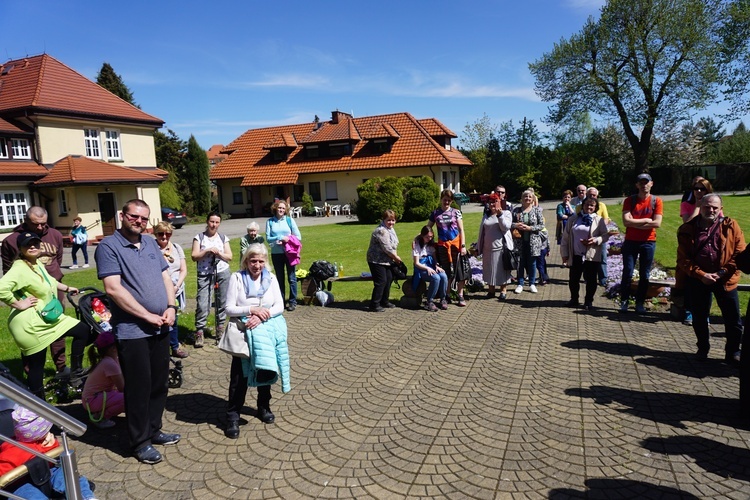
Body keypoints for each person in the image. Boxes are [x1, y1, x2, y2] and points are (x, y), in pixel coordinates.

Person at [95, 199, 181, 465]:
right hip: (133, 330)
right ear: (123, 216)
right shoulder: (109, 246)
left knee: (159, 383)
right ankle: (139, 442)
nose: (139, 222)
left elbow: (166, 277)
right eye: (135, 217)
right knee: (138, 388)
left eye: (144, 219)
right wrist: (146, 315)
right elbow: (113, 289)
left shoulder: (151, 243)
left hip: (161, 325)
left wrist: (170, 307)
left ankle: (154, 430)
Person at [0, 232, 91, 399]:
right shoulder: (19, 268)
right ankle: (39, 407)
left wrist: (67, 288)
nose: (33, 246)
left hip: (46, 317)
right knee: (37, 367)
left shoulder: (35, 263)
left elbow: (50, 280)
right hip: (30, 325)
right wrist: (19, 304)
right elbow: (1, 288)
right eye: (28, 244)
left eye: (35, 243)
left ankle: (76, 371)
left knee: (83, 330)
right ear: (20, 248)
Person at [224, 243, 290, 438]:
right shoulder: (236, 278)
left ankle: (264, 407)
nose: (257, 265)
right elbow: (228, 308)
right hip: (243, 334)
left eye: (261, 261)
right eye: (253, 261)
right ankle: (233, 416)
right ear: (246, 261)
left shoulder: (271, 278)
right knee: (239, 377)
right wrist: (250, 310)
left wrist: (263, 315)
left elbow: (280, 305)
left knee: (264, 369)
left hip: (265, 331)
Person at [1, 206, 69, 381]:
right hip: (28, 295)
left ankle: (62, 367)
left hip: (53, 290)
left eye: (43, 224)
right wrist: (17, 301)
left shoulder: (54, 235)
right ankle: (31, 372)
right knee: (32, 333)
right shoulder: (11, 240)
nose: (40, 228)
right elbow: (8, 270)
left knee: (58, 328)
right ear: (26, 220)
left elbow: (57, 260)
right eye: (35, 224)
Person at [676, 194, 745, 363]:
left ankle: (733, 352)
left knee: (733, 319)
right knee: (699, 317)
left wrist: (722, 272)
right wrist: (701, 275)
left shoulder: (731, 226)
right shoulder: (687, 229)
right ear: (701, 207)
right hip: (699, 279)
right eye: (707, 207)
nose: (711, 210)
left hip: (725, 279)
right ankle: (703, 347)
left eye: (715, 207)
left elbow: (740, 254)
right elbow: (683, 259)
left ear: (721, 209)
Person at [0, 405, 97, 499]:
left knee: (69, 477)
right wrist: (45, 448)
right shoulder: (13, 451)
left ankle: (86, 497)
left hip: (47, 471)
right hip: (20, 483)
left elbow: (55, 458)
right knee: (30, 495)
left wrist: (52, 445)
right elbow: (3, 473)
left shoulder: (45, 439)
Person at [619, 173, 663, 314]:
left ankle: (639, 303)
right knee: (628, 272)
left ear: (651, 183)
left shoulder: (657, 201)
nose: (644, 185)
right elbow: (626, 222)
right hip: (631, 241)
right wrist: (647, 221)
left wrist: (635, 223)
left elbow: (657, 223)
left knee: (645, 275)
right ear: (637, 185)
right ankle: (624, 301)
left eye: (646, 182)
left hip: (648, 242)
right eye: (641, 183)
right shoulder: (629, 201)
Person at [560, 196, 610, 311]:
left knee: (591, 280)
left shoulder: (599, 220)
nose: (589, 207)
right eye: (587, 204)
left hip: (591, 255)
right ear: (582, 206)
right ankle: (574, 299)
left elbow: (605, 235)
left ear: (595, 207)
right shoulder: (573, 219)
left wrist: (595, 240)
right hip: (576, 254)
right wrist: (565, 254)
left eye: (592, 205)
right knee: (573, 279)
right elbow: (565, 238)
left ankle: (588, 301)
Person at [677, 177, 714, 325]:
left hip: (707, 248)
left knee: (708, 282)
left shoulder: (714, 206)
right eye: (696, 188)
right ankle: (689, 311)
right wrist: (698, 207)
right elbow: (687, 224)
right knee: (690, 279)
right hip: (691, 247)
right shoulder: (686, 205)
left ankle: (705, 313)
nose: (698, 191)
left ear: (707, 190)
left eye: (702, 189)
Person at [192, 211, 232, 347]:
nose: (214, 225)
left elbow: (229, 256)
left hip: (222, 272)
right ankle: (199, 331)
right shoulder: (199, 237)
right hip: (204, 273)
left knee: (222, 301)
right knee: (203, 303)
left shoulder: (223, 238)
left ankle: (220, 328)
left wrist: (219, 253)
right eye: (211, 221)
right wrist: (206, 251)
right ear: (207, 222)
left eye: (216, 222)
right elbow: (194, 256)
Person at [428, 190, 468, 306]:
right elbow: (428, 228)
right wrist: (422, 239)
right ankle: (446, 295)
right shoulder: (435, 213)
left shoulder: (456, 212)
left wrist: (463, 245)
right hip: (443, 247)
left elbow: (461, 230)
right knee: (446, 272)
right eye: (445, 199)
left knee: (460, 271)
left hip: (456, 245)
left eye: (449, 200)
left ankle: (460, 295)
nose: (447, 202)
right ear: (441, 199)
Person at [155, 222, 189, 358]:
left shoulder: (176, 247)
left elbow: (184, 269)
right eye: (161, 233)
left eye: (168, 233)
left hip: (176, 289)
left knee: (173, 318)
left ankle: (174, 346)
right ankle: (160, 349)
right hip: (158, 289)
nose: (164, 236)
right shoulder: (151, 248)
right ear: (155, 234)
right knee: (159, 318)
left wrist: (176, 286)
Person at [81, 330, 125, 429]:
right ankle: (100, 417)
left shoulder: (110, 360)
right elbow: (122, 387)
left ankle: (102, 411)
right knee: (128, 399)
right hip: (92, 401)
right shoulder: (110, 364)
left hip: (93, 399)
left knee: (130, 398)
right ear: (113, 348)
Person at [265, 200, 301, 312]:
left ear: (286, 210)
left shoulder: (290, 221)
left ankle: (292, 301)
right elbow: (268, 238)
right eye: (279, 208)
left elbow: (298, 236)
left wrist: (288, 239)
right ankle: (280, 302)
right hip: (276, 253)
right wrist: (280, 238)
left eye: (283, 208)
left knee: (292, 278)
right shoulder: (270, 221)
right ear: (275, 208)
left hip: (289, 253)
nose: (281, 210)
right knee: (279, 278)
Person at [477, 193, 514, 300]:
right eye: (491, 202)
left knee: (502, 269)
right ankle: (491, 290)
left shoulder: (506, 213)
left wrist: (500, 215)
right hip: (487, 248)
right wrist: (478, 246)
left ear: (500, 202)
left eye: (495, 201)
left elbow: (505, 227)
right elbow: (482, 232)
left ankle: (503, 290)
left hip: (501, 248)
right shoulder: (486, 215)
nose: (493, 204)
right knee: (489, 269)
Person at [366, 209, 402, 312]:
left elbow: (393, 246)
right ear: (384, 220)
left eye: (393, 220)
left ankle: (384, 301)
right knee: (381, 281)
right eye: (388, 220)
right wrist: (396, 258)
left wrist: (394, 257)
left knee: (389, 278)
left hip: (386, 260)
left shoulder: (390, 230)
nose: (391, 222)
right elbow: (387, 248)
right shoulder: (381, 231)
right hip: (376, 260)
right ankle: (374, 304)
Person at [511, 190, 545, 294]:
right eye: (525, 196)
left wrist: (529, 228)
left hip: (533, 241)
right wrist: (516, 225)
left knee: (532, 263)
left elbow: (541, 225)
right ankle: (520, 283)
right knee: (520, 263)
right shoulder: (516, 210)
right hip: (519, 241)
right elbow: (510, 224)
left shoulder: (537, 210)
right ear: (522, 198)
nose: (527, 198)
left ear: (533, 199)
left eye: (530, 197)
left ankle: (532, 283)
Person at [578, 187, 611, 286]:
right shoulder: (580, 206)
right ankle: (587, 278)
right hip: (584, 237)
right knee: (585, 259)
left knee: (602, 258)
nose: (592, 197)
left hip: (598, 235)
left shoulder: (601, 205)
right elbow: (578, 219)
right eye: (589, 195)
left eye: (594, 195)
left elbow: (605, 219)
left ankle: (603, 279)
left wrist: (599, 227)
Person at [412, 226, 448, 311]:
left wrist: (436, 265)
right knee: (436, 278)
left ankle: (443, 299)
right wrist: (427, 268)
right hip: (421, 267)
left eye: (431, 236)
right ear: (422, 236)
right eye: (427, 237)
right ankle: (429, 301)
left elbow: (434, 257)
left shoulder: (431, 244)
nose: (429, 238)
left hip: (431, 265)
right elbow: (416, 263)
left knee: (443, 275)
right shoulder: (417, 244)